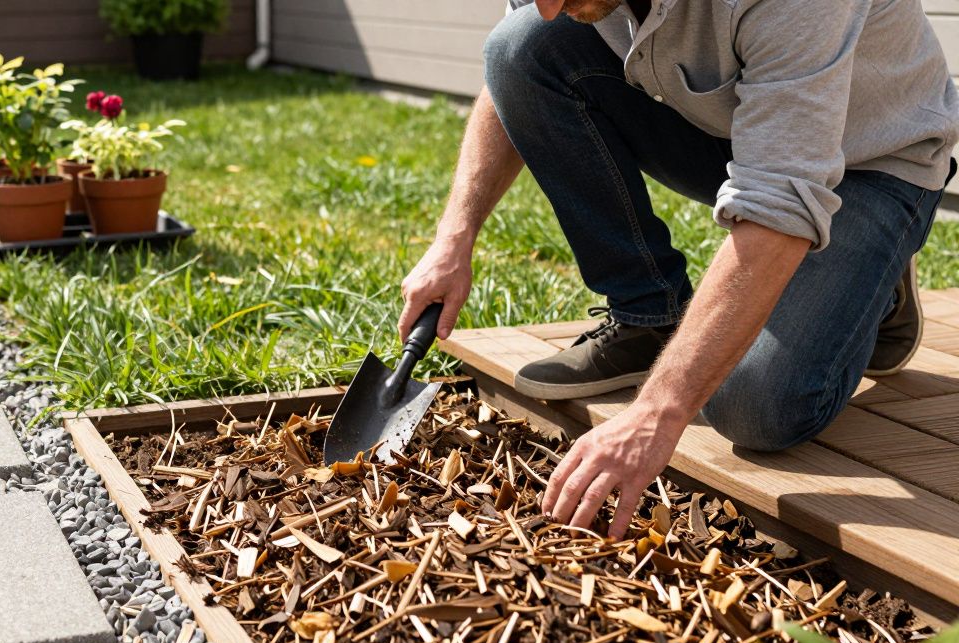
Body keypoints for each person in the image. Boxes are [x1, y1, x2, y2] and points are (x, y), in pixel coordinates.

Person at [398, 0, 959, 539]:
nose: (547, 5)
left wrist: (657, 412)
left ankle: (875, 284)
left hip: (874, 161)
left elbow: (778, 204)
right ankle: (648, 315)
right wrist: (454, 239)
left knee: (753, 409)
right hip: (739, 130)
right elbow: (513, 70)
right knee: (523, 46)